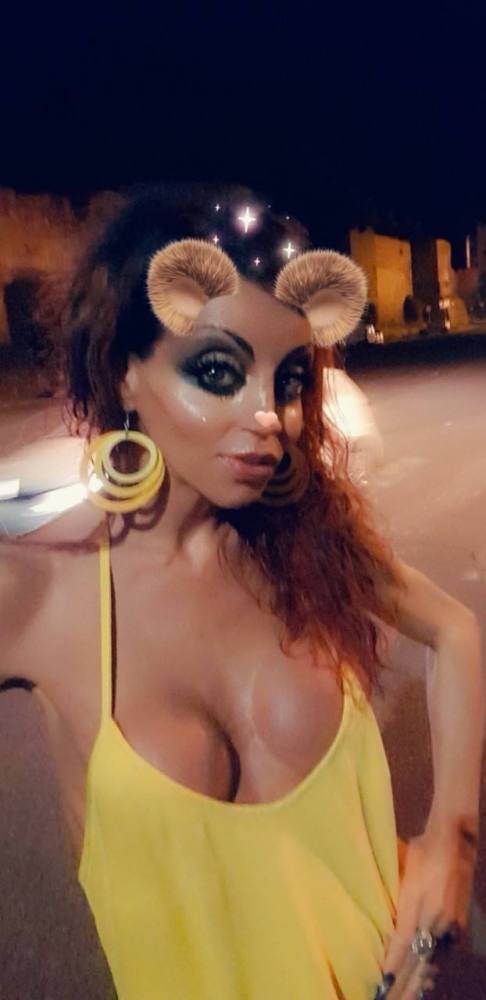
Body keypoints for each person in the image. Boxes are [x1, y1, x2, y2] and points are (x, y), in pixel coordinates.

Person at [0, 187, 483, 1000]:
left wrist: (450, 844)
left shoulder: (305, 544)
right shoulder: (37, 593)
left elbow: (456, 630)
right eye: (218, 371)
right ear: (123, 371)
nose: (271, 416)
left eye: (289, 378)